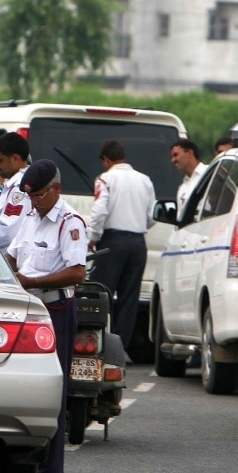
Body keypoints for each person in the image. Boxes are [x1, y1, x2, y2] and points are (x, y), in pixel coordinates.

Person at [5, 160, 88, 473]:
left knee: (54, 388)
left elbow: (76, 272)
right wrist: (9, 272)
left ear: (56, 189)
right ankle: (22, 464)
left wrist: (32, 281)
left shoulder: (70, 224)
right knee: (23, 385)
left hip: (55, 308)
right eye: (29, 195)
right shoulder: (29, 218)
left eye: (38, 194)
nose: (33, 201)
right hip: (27, 308)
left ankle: (52, 472)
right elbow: (13, 255)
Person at [87, 139, 155, 352]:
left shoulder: (105, 179)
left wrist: (93, 236)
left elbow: (99, 211)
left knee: (100, 294)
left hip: (112, 241)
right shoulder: (145, 180)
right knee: (129, 298)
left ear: (106, 160)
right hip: (138, 243)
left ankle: (99, 342)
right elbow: (151, 216)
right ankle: (120, 348)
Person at [0, 132, 32, 249]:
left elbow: (8, 233)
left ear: (15, 159)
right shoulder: (13, 184)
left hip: (7, 261)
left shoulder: (20, 188)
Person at [170, 138, 206, 217]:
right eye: (171, 157)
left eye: (176, 155)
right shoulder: (182, 189)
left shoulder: (209, 173)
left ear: (190, 153)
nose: (173, 160)